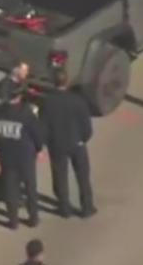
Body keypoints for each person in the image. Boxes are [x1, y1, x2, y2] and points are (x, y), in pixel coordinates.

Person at [39, 69, 96, 218]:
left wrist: (46, 143)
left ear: (53, 82)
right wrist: (83, 139)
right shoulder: (78, 101)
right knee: (83, 177)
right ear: (67, 81)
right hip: (77, 143)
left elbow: (43, 127)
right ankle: (87, 207)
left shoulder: (47, 102)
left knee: (60, 177)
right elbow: (87, 126)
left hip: (57, 145)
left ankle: (64, 208)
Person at [0, 88, 45, 229]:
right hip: (25, 156)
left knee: (10, 189)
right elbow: (36, 132)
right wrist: (39, 149)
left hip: (6, 156)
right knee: (30, 188)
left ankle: (13, 221)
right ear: (19, 96)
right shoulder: (26, 113)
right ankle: (33, 218)